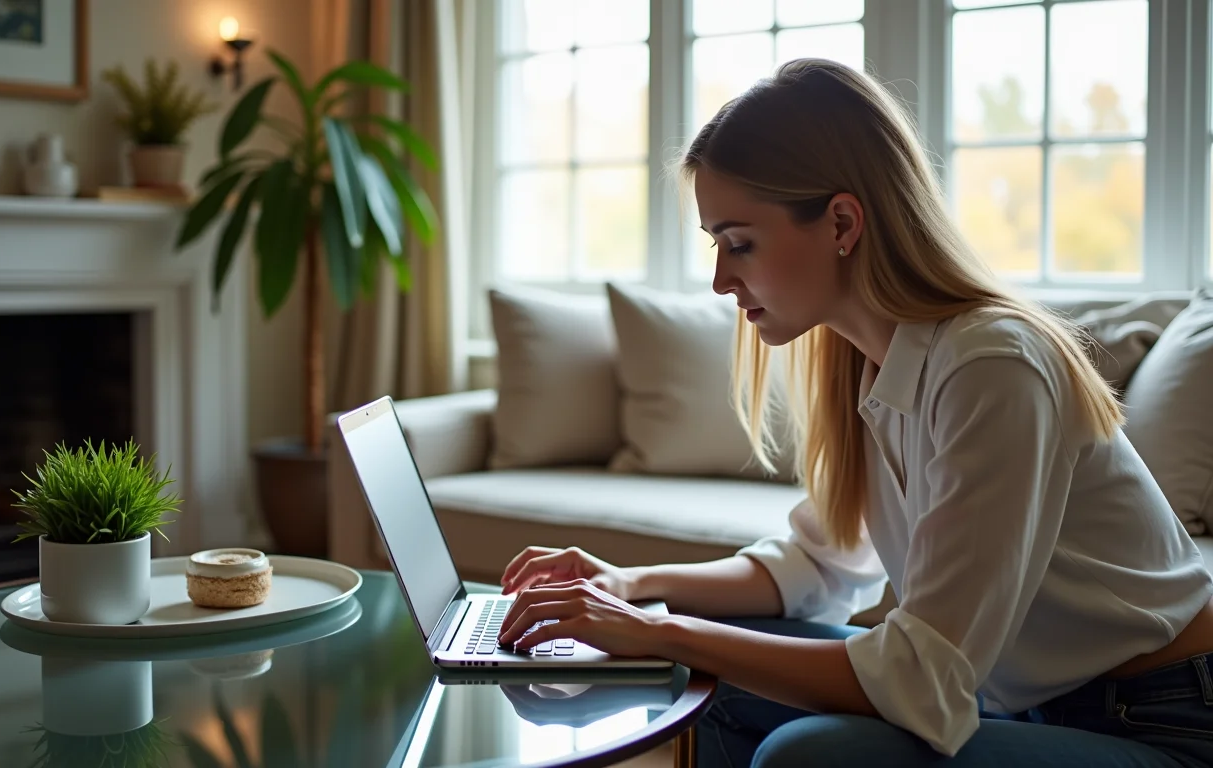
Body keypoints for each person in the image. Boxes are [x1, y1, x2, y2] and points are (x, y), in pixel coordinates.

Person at [495, 58, 1213, 767]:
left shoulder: (994, 365)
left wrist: (661, 632)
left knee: (808, 754)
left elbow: (920, 675)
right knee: (705, 684)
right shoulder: (865, 361)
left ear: (842, 221)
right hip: (1027, 703)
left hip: (1162, 723)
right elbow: (819, 565)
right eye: (717, 245)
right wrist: (630, 585)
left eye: (739, 243)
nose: (719, 280)